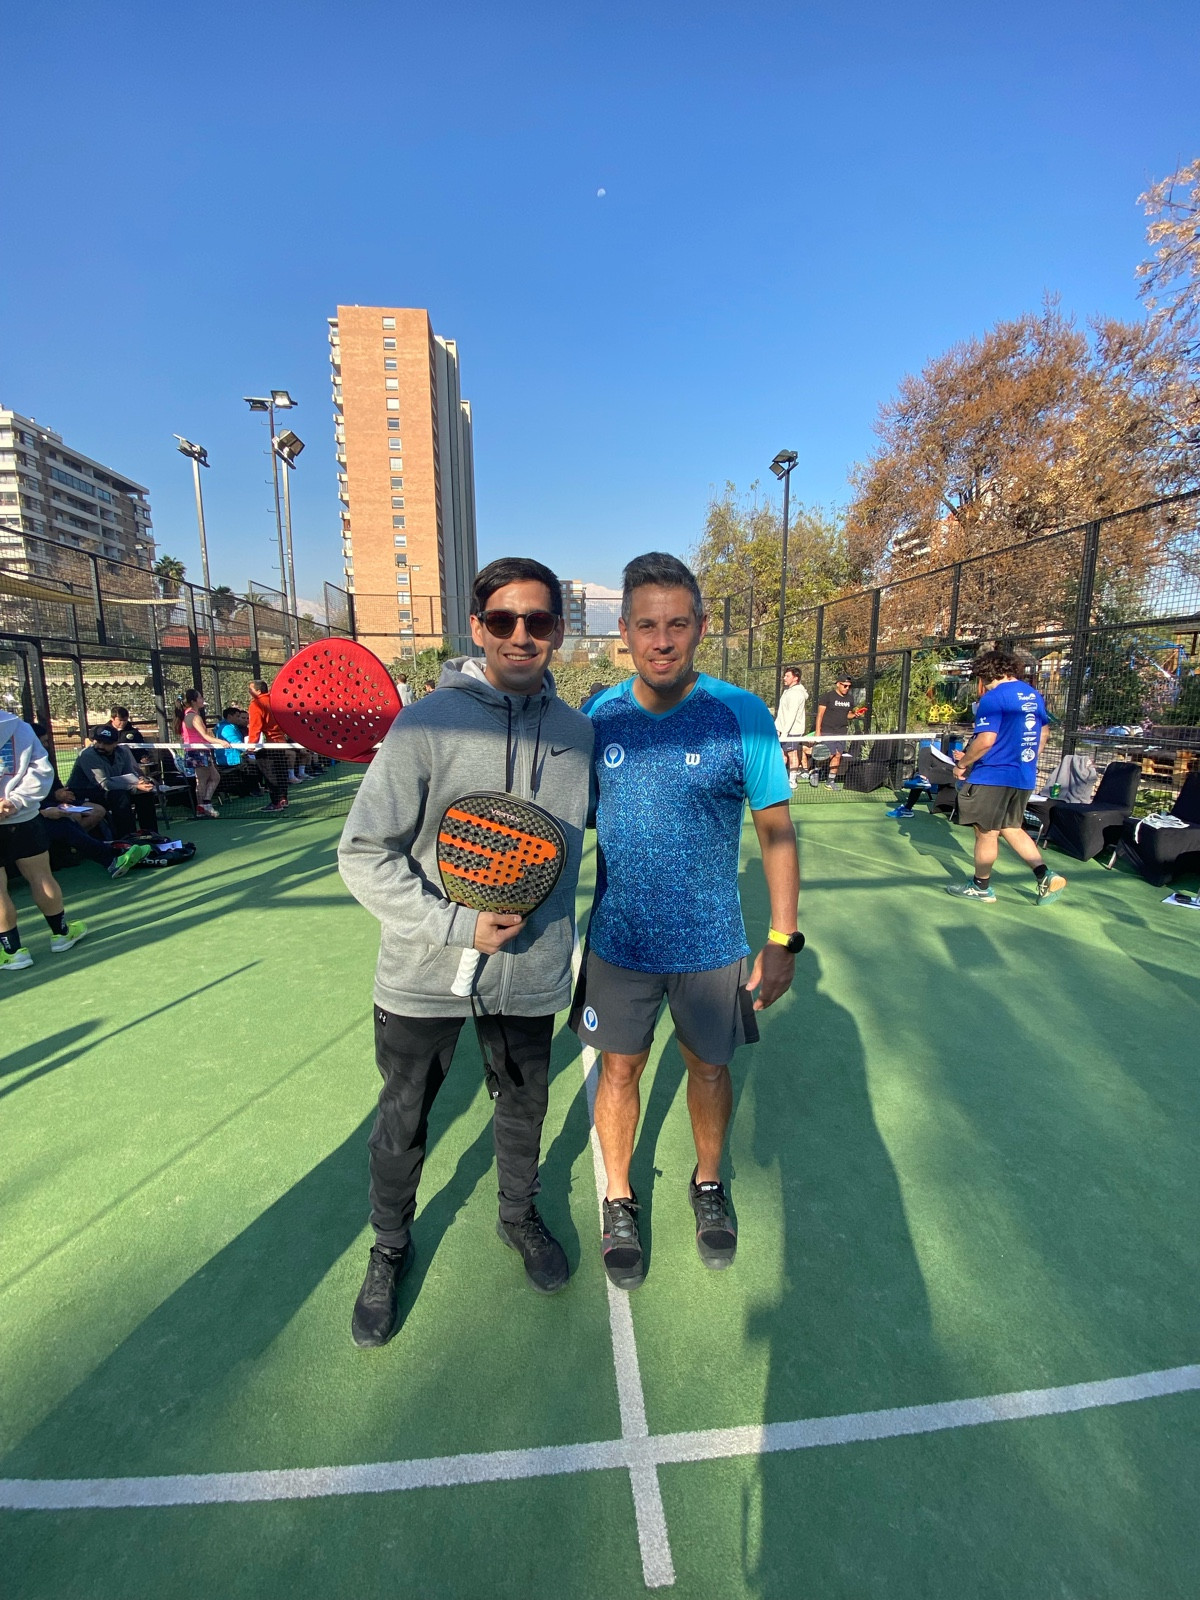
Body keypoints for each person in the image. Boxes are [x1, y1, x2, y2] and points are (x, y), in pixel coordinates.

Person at [338, 556, 594, 1348]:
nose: (522, 635)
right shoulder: (426, 724)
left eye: (538, 620)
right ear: (477, 627)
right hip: (423, 973)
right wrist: (455, 925)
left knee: (523, 1107)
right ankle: (389, 1247)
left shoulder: (579, 735)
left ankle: (517, 1216)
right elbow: (363, 853)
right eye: (504, 620)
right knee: (402, 1120)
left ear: (558, 630)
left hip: (531, 973)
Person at [571, 552, 801, 1290]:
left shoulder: (742, 715)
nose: (662, 640)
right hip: (619, 944)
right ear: (624, 631)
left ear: (700, 627)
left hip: (711, 944)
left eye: (677, 624)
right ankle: (618, 1198)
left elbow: (776, 831)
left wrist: (783, 939)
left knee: (709, 1067)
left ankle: (707, 1183)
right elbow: (568, 821)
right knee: (619, 1069)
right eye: (647, 626)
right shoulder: (599, 717)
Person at [945, 649, 1067, 904]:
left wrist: (962, 764)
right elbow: (1044, 734)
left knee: (986, 833)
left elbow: (986, 740)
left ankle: (980, 887)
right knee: (1011, 827)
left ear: (986, 674)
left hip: (993, 777)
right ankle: (1045, 875)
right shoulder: (1032, 695)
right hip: (1023, 777)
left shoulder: (993, 697)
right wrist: (1026, 760)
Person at [1, 710, 87, 971]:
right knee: (41, 875)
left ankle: (12, 953)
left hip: (20, 816)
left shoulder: (21, 728)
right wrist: (16, 802)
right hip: (24, 818)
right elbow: (42, 771)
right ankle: (61, 934)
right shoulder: (21, 728)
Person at [40, 785, 152, 877]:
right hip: (31, 822)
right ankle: (113, 860)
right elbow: (29, 806)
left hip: (38, 813)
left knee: (68, 823)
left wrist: (56, 805)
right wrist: (45, 812)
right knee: (65, 827)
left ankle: (118, 853)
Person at [68, 725, 160, 835]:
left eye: (106, 743)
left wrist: (140, 781)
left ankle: (152, 835)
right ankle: (127, 837)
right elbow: (104, 784)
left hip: (111, 789)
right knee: (120, 796)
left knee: (145, 794)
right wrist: (135, 786)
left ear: (115, 743)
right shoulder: (87, 755)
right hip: (85, 793)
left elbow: (129, 774)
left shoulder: (122, 752)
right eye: (98, 741)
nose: (101, 746)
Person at [176, 689, 229, 817]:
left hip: (199, 751)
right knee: (202, 780)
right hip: (197, 752)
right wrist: (221, 742)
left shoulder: (189, 715)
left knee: (214, 777)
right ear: (193, 701)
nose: (202, 699)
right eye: (200, 697)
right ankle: (203, 806)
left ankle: (204, 804)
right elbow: (205, 736)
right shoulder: (194, 717)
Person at [248, 679, 290, 812]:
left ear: (258, 691)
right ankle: (283, 799)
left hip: (268, 745)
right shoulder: (275, 701)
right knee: (281, 771)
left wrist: (251, 744)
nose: (249, 692)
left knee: (270, 774)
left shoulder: (256, 703)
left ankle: (276, 802)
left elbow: (255, 725)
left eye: (250, 689)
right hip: (281, 743)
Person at [810, 674, 856, 788]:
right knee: (827, 754)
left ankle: (830, 781)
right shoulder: (827, 697)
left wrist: (855, 715)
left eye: (849, 686)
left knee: (838, 755)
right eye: (845, 685)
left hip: (841, 732)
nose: (847, 688)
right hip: (827, 730)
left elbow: (848, 715)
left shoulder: (850, 699)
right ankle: (815, 771)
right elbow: (820, 715)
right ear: (838, 684)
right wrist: (818, 731)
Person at [774, 665, 809, 788]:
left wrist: (785, 733)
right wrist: (777, 728)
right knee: (782, 754)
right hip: (783, 730)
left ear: (795, 678)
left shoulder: (796, 694)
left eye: (787, 676)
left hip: (792, 731)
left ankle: (792, 781)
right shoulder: (787, 691)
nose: (784, 678)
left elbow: (792, 714)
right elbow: (782, 713)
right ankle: (780, 777)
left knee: (792, 754)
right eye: (785, 675)